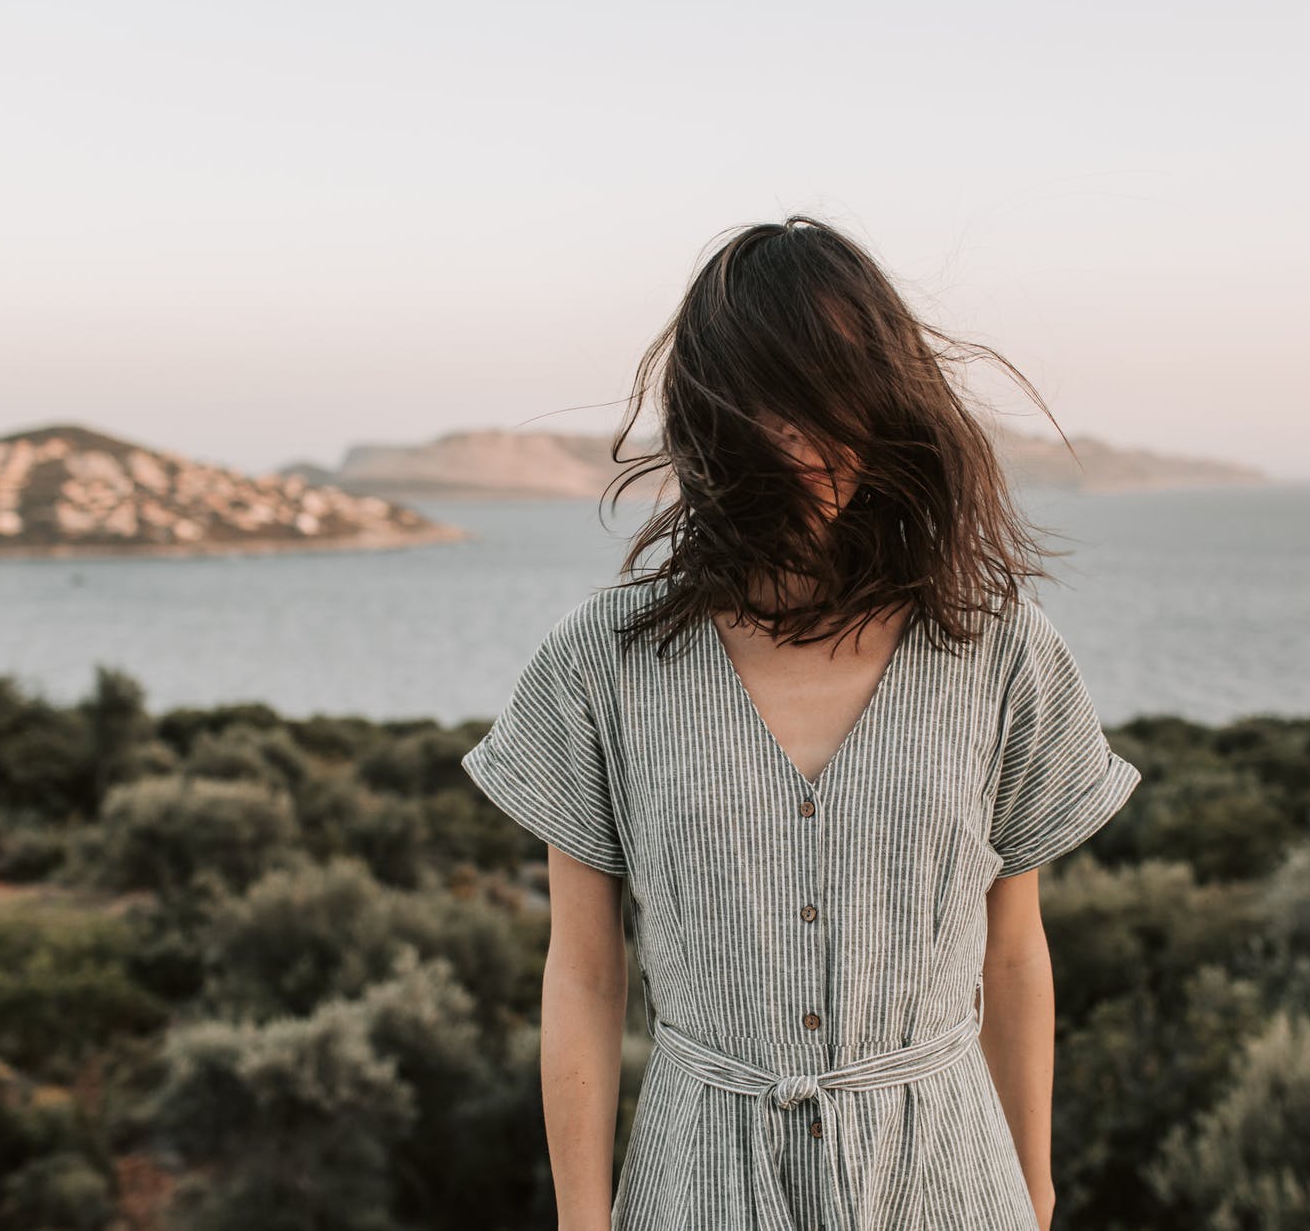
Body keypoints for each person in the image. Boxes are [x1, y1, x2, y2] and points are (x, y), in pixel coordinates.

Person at [462, 215, 1143, 1231]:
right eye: (773, 397)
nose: (810, 436)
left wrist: (1035, 1194)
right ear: (711, 415)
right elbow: (585, 968)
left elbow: (1011, 949)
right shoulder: (600, 660)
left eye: (836, 390)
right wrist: (579, 1216)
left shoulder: (997, 648)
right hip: (697, 1184)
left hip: (947, 1184)